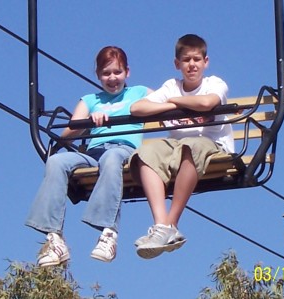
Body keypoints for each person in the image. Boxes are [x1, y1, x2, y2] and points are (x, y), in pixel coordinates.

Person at [25, 46, 152, 266]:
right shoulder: (91, 99)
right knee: (56, 161)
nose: (112, 78)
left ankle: (108, 232)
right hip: (93, 153)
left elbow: (171, 100)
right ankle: (54, 238)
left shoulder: (139, 92)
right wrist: (88, 122)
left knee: (111, 158)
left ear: (127, 72)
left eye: (117, 72)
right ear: (98, 75)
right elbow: (69, 134)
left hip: (124, 149)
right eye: (106, 73)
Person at [129, 34, 234, 259]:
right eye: (186, 60)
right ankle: (161, 225)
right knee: (145, 151)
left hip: (213, 146)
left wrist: (173, 102)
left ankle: (171, 222)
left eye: (197, 59)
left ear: (206, 62)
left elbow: (207, 103)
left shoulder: (214, 83)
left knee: (191, 146)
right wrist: (169, 100)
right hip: (178, 147)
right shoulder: (171, 85)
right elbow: (137, 108)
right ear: (177, 64)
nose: (192, 64)